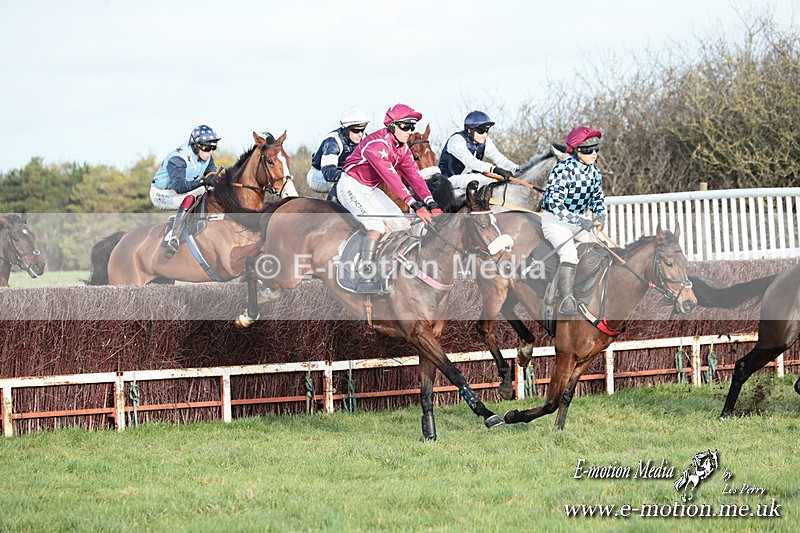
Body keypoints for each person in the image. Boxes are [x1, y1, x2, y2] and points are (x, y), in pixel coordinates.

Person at [338, 103, 443, 289]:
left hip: (369, 189)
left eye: (412, 127)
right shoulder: (377, 145)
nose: (409, 132)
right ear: (392, 126)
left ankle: (390, 269)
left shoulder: (402, 148)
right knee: (376, 225)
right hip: (351, 187)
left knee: (402, 224)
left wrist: (431, 202)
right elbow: (392, 179)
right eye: (405, 127)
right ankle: (366, 278)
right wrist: (415, 205)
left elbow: (415, 177)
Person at [540, 126, 606, 315]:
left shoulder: (595, 172)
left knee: (598, 248)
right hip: (555, 221)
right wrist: (580, 220)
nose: (593, 154)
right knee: (569, 253)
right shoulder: (562, 170)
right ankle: (565, 298)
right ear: (577, 151)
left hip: (578, 220)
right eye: (588, 150)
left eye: (596, 149)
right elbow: (556, 206)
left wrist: (600, 216)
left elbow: (598, 198)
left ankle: (589, 291)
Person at [151, 125, 220, 257]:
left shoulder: (207, 157)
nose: (210, 151)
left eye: (213, 147)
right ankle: (174, 237)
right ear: (195, 145)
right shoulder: (178, 159)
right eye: (207, 147)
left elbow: (212, 174)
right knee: (191, 196)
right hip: (162, 193)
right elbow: (180, 187)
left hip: (181, 190)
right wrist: (203, 181)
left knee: (209, 191)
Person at [438, 110, 518, 190]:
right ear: (469, 130)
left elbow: (500, 159)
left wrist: (515, 168)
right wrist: (495, 169)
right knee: (475, 179)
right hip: (447, 181)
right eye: (481, 131)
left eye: (487, 131)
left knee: (496, 180)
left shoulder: (485, 141)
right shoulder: (456, 140)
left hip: (467, 181)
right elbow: (471, 162)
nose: (485, 135)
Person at [306, 108, 370, 202]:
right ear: (346, 129)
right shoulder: (333, 141)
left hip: (344, 174)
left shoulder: (365, 139)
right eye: (356, 131)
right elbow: (329, 173)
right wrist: (353, 176)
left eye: (362, 130)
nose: (360, 134)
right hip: (319, 175)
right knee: (343, 182)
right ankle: (330, 212)